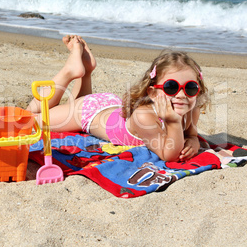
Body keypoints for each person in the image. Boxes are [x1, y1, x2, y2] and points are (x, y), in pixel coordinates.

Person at [27, 35, 209, 162]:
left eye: (191, 88)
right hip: (88, 112)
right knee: (27, 118)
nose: (181, 95)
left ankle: (86, 73)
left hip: (110, 106)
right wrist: (173, 122)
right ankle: (69, 72)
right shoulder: (143, 116)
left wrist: (193, 141)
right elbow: (170, 154)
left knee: (61, 107)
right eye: (171, 87)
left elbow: (191, 134)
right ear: (153, 92)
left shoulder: (191, 109)